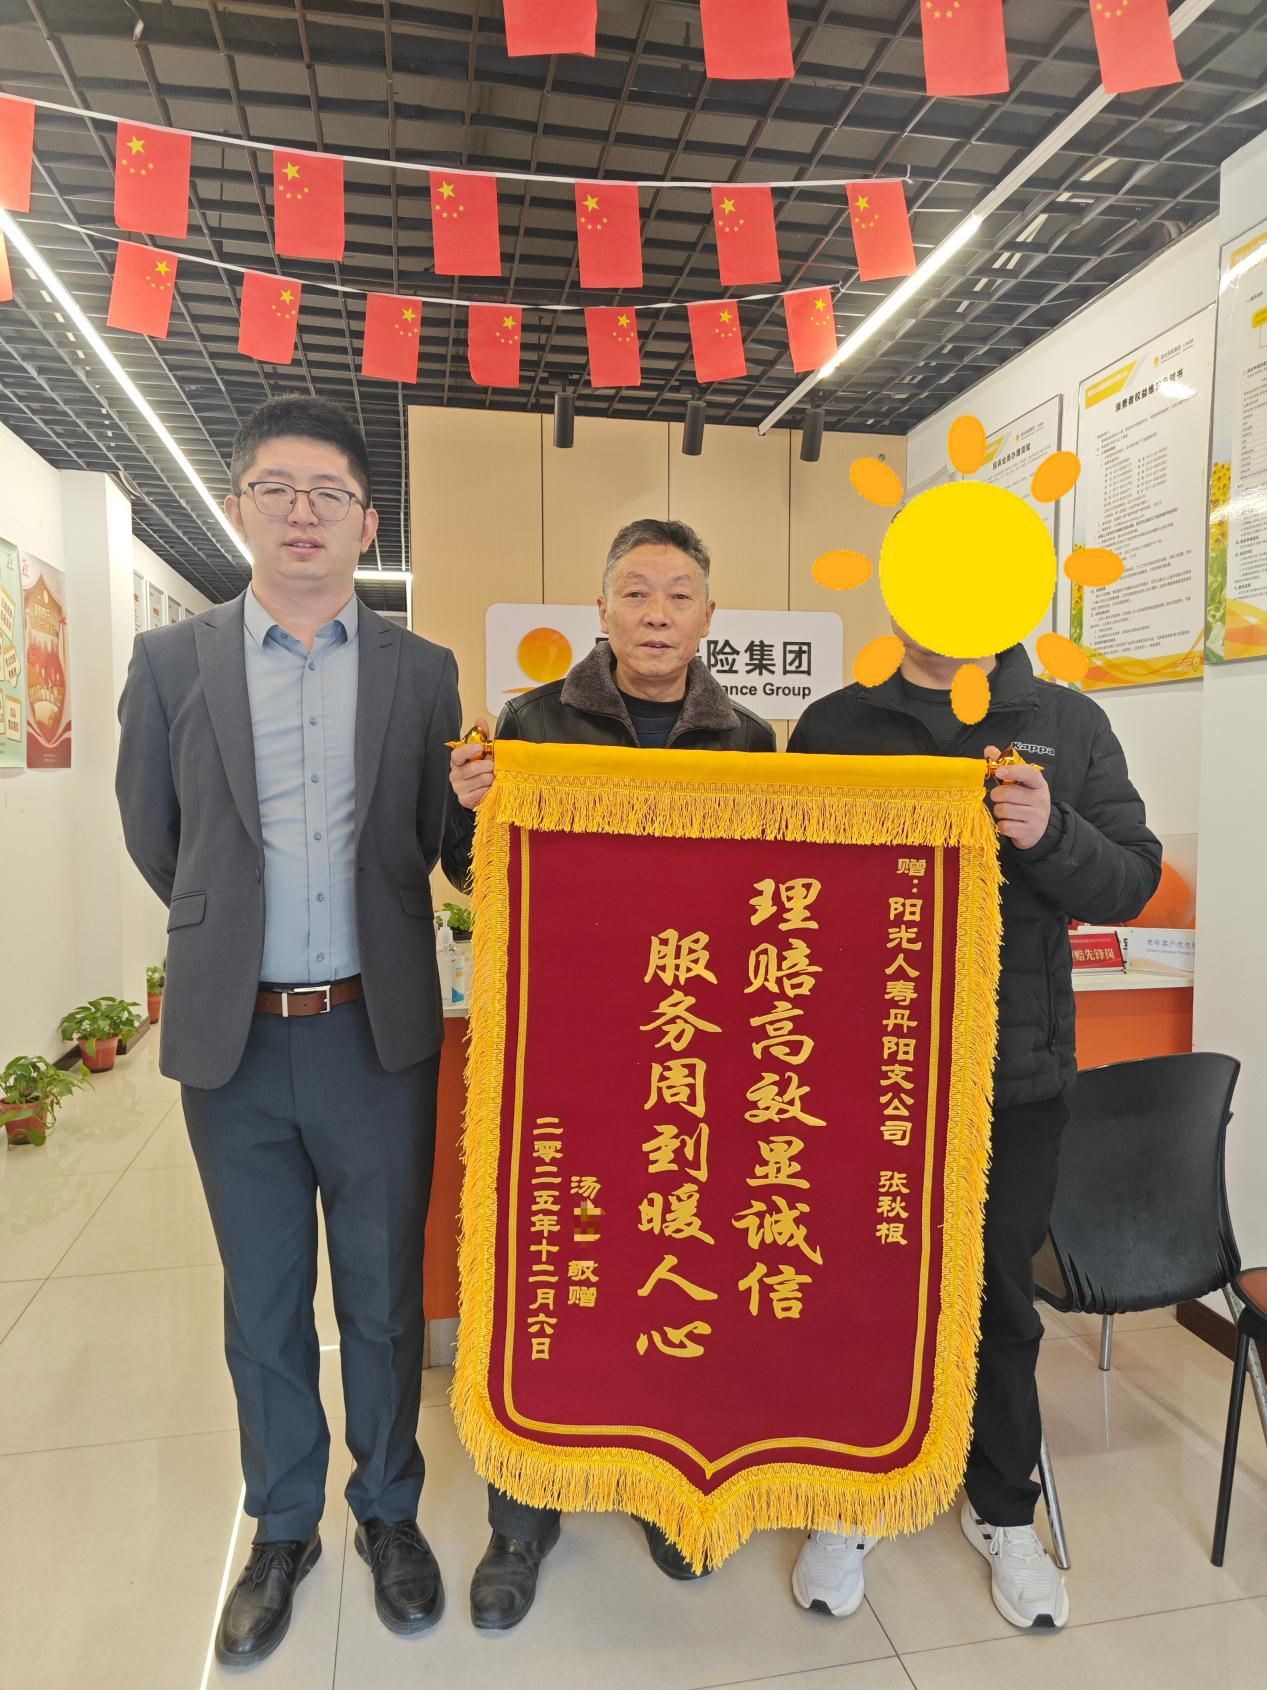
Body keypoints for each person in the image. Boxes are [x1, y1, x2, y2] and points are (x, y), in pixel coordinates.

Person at [116, 397, 466, 1668]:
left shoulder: (422, 672)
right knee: (263, 1299)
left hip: (376, 1035)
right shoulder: (173, 663)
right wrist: (234, 943)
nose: (303, 512)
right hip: (239, 1044)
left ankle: (388, 1510)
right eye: (277, 488)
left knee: (380, 1296)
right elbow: (158, 836)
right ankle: (280, 1528)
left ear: (368, 523)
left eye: (330, 493)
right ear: (240, 507)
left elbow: (439, 841)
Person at [785, 622, 1161, 1631]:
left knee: (1000, 1301)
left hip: (1013, 1075)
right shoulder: (836, 725)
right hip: (862, 1075)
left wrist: (1050, 830)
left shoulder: (1065, 723)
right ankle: (853, 1492)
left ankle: (1001, 1508)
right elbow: (783, 882)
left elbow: (1131, 880)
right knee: (857, 1287)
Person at [448, 516, 775, 1629]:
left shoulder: (749, 742)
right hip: (560, 1050)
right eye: (635, 592)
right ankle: (520, 1512)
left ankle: (659, 1482)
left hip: (689, 1053)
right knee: (544, 1266)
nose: (655, 614)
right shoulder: (532, 723)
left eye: (678, 595)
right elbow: (469, 871)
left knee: (671, 1262)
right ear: (600, 610)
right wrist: (469, 807)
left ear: (708, 616)